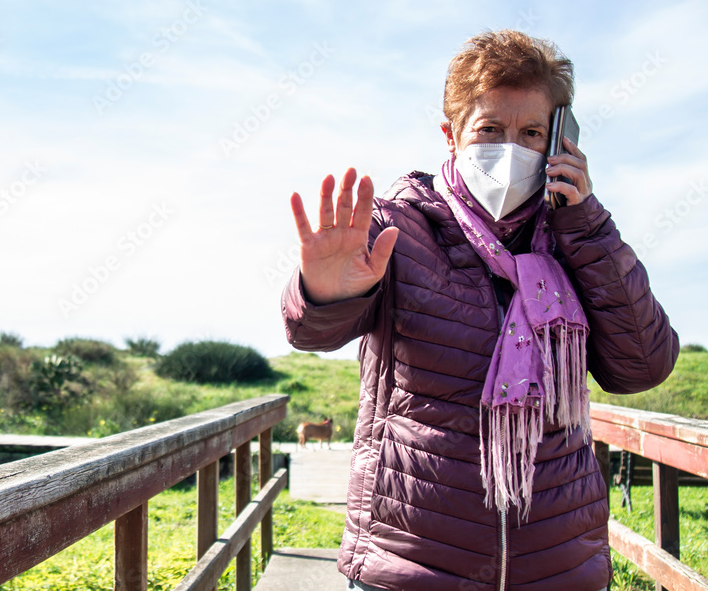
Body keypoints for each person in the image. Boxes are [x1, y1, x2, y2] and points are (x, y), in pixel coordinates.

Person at [281, 30, 678, 591]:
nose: (511, 149)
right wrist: (324, 292)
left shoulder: (575, 238)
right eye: (489, 129)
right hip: (412, 567)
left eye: (532, 133)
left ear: (560, 140)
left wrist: (586, 225)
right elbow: (310, 331)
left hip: (557, 567)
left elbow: (644, 365)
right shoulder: (398, 227)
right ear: (451, 135)